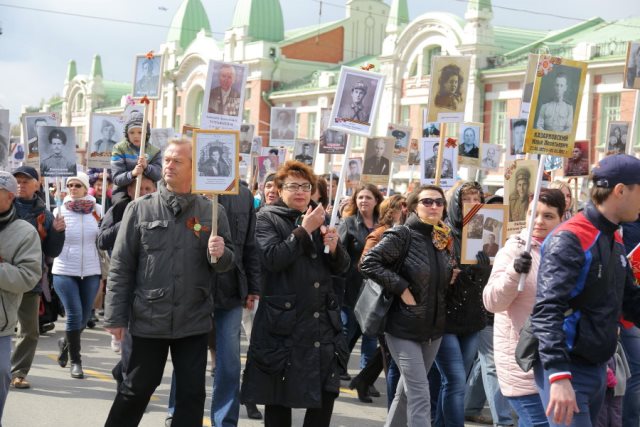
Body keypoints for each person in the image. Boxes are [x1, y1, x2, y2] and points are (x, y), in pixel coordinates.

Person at [104, 138, 235, 426]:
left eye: (177, 161)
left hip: (193, 319)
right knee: (136, 389)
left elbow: (226, 264)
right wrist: (115, 317)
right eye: (167, 160)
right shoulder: (139, 209)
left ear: (194, 168)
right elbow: (121, 266)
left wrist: (220, 253)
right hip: (149, 317)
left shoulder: (212, 212)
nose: (169, 166)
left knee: (191, 394)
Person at [530, 154, 640, 426]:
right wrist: (558, 376)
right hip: (568, 368)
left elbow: (630, 300)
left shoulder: (613, 236)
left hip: (597, 366)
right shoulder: (571, 237)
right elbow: (547, 310)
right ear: (620, 191)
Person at [240, 160, 350, 427]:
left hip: (320, 323)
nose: (300, 192)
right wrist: (304, 231)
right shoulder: (267, 218)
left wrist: (335, 248)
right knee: (279, 398)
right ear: (279, 190)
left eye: (305, 186)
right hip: (283, 323)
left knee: (325, 395)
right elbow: (272, 258)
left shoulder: (319, 217)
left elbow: (342, 268)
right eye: (293, 186)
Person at [361, 184, 452, 425]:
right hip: (402, 326)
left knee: (406, 392)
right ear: (413, 207)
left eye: (439, 202)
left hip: (433, 329)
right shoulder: (403, 234)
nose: (434, 206)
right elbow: (368, 262)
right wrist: (401, 287)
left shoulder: (442, 236)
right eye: (427, 201)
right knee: (420, 393)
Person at [483, 188, 565, 426]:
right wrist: (514, 272)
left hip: (555, 358)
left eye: (548, 216)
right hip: (523, 360)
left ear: (562, 217)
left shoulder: (566, 251)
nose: (538, 221)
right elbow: (492, 302)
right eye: (533, 214)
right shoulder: (513, 250)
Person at [434, 181, 490, 427]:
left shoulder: (486, 231)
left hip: (473, 317)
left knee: (456, 381)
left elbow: (491, 281)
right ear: (456, 203)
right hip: (445, 317)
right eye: (467, 199)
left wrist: (485, 270)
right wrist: (460, 273)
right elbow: (433, 275)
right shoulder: (441, 233)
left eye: (477, 199)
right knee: (455, 381)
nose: (473, 204)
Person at [209, 182, 262, 426]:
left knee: (230, 360)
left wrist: (253, 286)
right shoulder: (191, 187)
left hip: (231, 289)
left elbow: (250, 245)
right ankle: (178, 414)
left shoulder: (243, 195)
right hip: (194, 290)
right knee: (188, 358)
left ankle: (225, 421)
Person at [9, 166, 65, 389]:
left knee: (29, 331)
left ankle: (18, 372)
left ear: (37, 185)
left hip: (29, 278)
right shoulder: (4, 206)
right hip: (4, 277)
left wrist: (58, 233)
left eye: (26, 181)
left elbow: (52, 251)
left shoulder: (46, 214)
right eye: (17, 181)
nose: (21, 185)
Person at [348, 195, 406, 408]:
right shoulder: (381, 233)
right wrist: (390, 275)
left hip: (400, 302)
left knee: (388, 349)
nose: (407, 211)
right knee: (389, 351)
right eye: (402, 208)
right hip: (383, 300)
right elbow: (364, 263)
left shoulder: (408, 233)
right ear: (392, 211)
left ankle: (363, 380)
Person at [97, 176, 157, 374]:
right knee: (130, 340)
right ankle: (125, 378)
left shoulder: (160, 210)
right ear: (130, 191)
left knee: (143, 345)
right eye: (141, 188)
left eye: (149, 188)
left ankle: (123, 372)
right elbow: (102, 240)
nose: (144, 192)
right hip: (127, 278)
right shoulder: (118, 210)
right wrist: (127, 220)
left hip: (151, 284)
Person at [0, 171, 42, 422]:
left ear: (10, 196)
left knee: (1, 375)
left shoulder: (25, 232)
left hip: (1, 325)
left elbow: (28, 276)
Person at [52, 172, 102, 379]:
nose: (73, 188)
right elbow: (51, 244)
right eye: (70, 185)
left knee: (83, 318)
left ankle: (65, 342)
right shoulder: (58, 210)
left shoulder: (98, 210)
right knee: (74, 314)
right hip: (64, 269)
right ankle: (76, 362)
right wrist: (55, 231)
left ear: (85, 188)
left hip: (91, 270)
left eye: (77, 185)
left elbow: (103, 239)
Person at [338, 184, 384, 400]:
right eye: (360, 197)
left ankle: (367, 378)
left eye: (368, 197)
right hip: (351, 287)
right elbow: (338, 255)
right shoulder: (348, 223)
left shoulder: (383, 225)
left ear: (376, 201)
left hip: (375, 288)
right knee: (347, 329)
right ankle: (337, 368)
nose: (363, 201)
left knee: (371, 334)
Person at [110, 112, 162, 202]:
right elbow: (117, 178)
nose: (136, 136)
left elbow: (158, 175)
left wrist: (147, 167)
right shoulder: (119, 149)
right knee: (120, 204)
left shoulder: (155, 151)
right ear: (127, 134)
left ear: (146, 133)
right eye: (132, 132)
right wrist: (133, 173)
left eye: (140, 132)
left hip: (148, 190)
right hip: (124, 189)